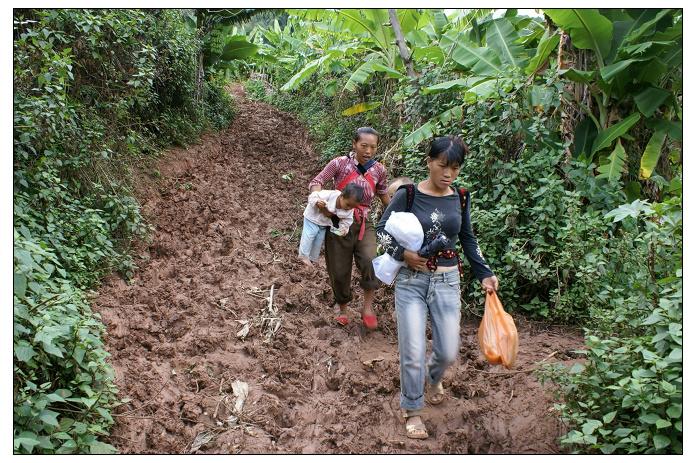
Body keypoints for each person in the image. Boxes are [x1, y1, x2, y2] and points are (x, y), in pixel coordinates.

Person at [376, 135, 499, 439]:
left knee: (446, 351)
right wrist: (404, 254)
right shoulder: (407, 194)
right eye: (443, 166)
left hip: (447, 280)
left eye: (455, 168)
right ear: (429, 162)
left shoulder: (461, 196)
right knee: (413, 350)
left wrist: (485, 272)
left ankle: (433, 378)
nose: (448, 174)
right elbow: (382, 230)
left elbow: (468, 238)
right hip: (411, 282)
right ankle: (412, 410)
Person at [308, 127, 390, 329]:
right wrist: (318, 198)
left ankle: (368, 307)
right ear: (354, 144)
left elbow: (384, 195)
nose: (368, 151)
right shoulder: (339, 163)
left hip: (364, 222)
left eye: (373, 147)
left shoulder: (379, 170)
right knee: (338, 267)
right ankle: (342, 306)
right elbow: (317, 181)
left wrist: (400, 210)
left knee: (371, 261)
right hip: (338, 219)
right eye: (364, 146)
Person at [298, 183, 364, 267]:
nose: (349, 208)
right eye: (347, 204)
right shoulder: (330, 195)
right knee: (310, 235)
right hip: (312, 217)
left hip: (324, 223)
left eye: (352, 207)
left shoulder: (349, 210)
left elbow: (347, 220)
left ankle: (312, 258)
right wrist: (317, 201)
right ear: (342, 196)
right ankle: (303, 256)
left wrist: (343, 228)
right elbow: (313, 196)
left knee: (319, 240)